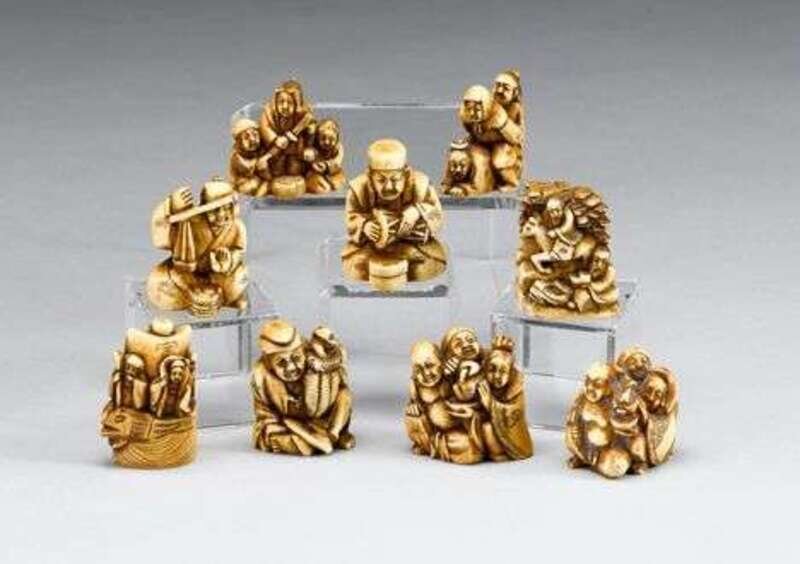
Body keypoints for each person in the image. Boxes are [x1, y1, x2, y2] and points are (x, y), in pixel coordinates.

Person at [342, 138, 446, 291]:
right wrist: (364, 225)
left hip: (412, 245)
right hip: (371, 246)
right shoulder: (359, 188)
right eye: (381, 180)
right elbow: (350, 217)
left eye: (395, 179)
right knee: (357, 268)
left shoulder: (420, 184)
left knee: (422, 269)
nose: (389, 187)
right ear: (370, 177)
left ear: (406, 174)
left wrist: (417, 210)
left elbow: (437, 214)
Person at [147, 179, 248, 317]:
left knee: (238, 279)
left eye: (227, 208)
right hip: (187, 273)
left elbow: (239, 250)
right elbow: (163, 235)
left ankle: (227, 299)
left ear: (234, 208)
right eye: (214, 210)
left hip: (218, 273)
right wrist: (171, 205)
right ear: (203, 208)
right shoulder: (192, 222)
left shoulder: (237, 226)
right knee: (161, 284)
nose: (221, 215)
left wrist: (228, 262)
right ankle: (193, 299)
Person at [251, 320, 353, 456]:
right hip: (286, 424)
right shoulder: (262, 377)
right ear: (269, 363)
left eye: (296, 358)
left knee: (345, 395)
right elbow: (265, 418)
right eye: (281, 363)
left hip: (321, 421)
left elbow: (339, 390)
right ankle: (314, 440)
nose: (291, 368)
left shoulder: (313, 361)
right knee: (303, 446)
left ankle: (335, 434)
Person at [476, 337, 534, 461]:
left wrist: (490, 404)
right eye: (492, 369)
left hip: (509, 441)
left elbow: (514, 415)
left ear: (510, 373)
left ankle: (498, 454)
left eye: (503, 371)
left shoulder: (515, 391)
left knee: (487, 428)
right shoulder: (482, 384)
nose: (497, 376)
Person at [460, 85, 523, 191]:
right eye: (469, 109)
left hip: (500, 142)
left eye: (477, 109)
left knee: (499, 161)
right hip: (480, 142)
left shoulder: (498, 115)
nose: (472, 113)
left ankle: (512, 183)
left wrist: (502, 126)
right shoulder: (465, 115)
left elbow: (516, 137)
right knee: (462, 156)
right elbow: (471, 130)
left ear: (486, 106)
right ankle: (478, 184)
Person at [259, 80, 316, 182]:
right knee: (276, 170)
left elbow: (311, 129)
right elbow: (264, 127)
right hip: (276, 150)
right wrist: (275, 139)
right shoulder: (269, 113)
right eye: (281, 102)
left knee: (294, 170)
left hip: (295, 150)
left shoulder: (304, 114)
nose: (285, 106)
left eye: (290, 103)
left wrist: (309, 147)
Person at [304, 118, 346, 194]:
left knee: (338, 182)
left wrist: (326, 166)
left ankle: (330, 182)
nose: (327, 142)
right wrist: (313, 163)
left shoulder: (338, 149)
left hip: (331, 172)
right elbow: (309, 158)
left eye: (331, 139)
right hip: (315, 173)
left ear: (336, 139)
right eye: (323, 138)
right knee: (322, 187)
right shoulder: (314, 148)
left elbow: (337, 162)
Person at [228, 118, 268, 196]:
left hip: (262, 181)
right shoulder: (237, 157)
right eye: (246, 137)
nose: (252, 139)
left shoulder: (262, 150)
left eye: (255, 135)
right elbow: (248, 170)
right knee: (252, 186)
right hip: (244, 183)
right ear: (239, 142)